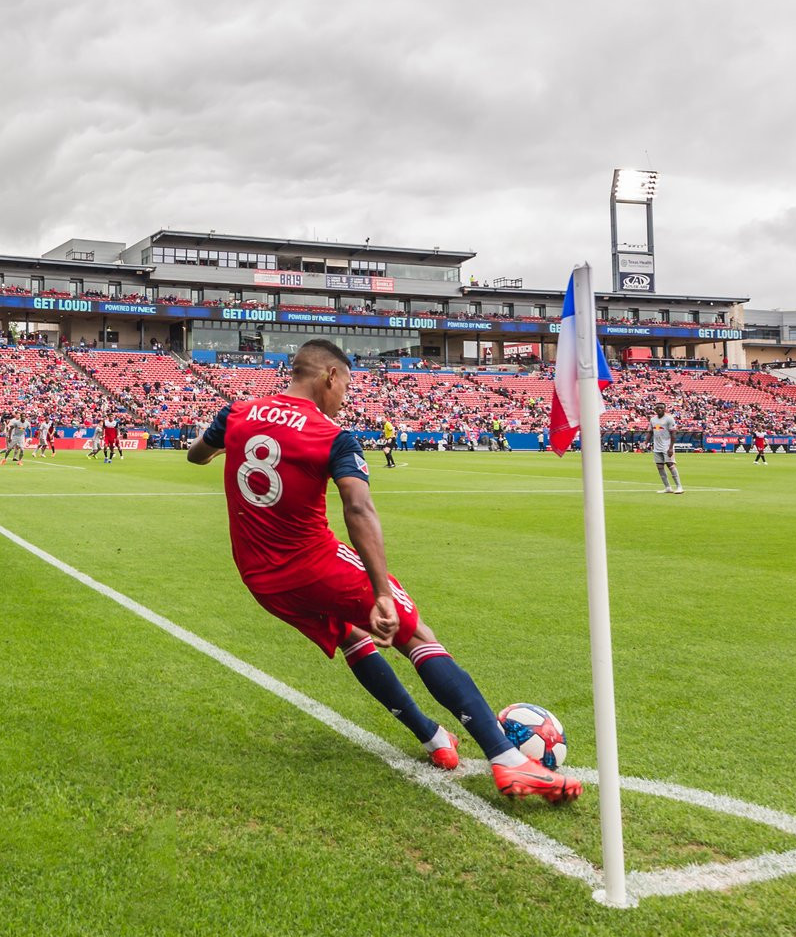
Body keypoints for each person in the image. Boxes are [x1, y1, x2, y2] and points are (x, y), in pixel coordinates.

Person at [187, 338, 579, 803]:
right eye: (346, 385)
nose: (346, 397)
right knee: (417, 634)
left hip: (260, 578)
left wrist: (222, 445)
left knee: (353, 636)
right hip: (313, 563)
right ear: (329, 376)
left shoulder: (237, 413)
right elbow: (359, 509)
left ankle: (434, 738)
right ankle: (508, 761)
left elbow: (197, 454)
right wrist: (382, 594)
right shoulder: (332, 436)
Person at [648, 403, 683, 494]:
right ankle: (668, 487)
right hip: (657, 447)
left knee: (670, 465)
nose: (659, 409)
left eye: (661, 408)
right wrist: (645, 442)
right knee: (659, 466)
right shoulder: (653, 420)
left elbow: (673, 434)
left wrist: (671, 448)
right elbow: (650, 432)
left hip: (666, 446)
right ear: (655, 409)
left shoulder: (669, 419)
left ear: (664, 409)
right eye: (657, 408)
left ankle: (679, 487)